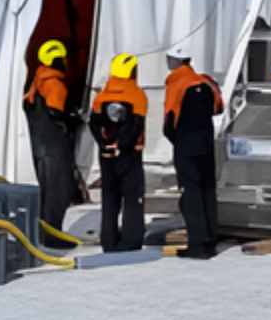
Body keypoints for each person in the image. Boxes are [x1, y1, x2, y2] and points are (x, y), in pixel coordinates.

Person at [162, 51, 224, 259]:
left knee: (191, 193)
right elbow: (219, 108)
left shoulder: (176, 84)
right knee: (207, 189)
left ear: (176, 61)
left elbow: (169, 121)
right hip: (206, 143)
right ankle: (210, 240)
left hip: (186, 144)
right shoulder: (206, 82)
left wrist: (178, 141)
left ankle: (197, 244)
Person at [90, 53, 148, 253]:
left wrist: (104, 144)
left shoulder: (101, 96)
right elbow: (136, 126)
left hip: (106, 156)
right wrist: (122, 145)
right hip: (129, 154)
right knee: (132, 199)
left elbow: (93, 124)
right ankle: (131, 241)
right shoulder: (137, 95)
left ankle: (109, 239)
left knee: (109, 198)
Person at [23, 39, 79, 236]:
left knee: (46, 193)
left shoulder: (38, 80)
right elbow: (56, 113)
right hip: (54, 146)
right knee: (58, 192)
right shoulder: (55, 84)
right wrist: (74, 118)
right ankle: (52, 235)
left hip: (40, 146)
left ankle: (44, 233)